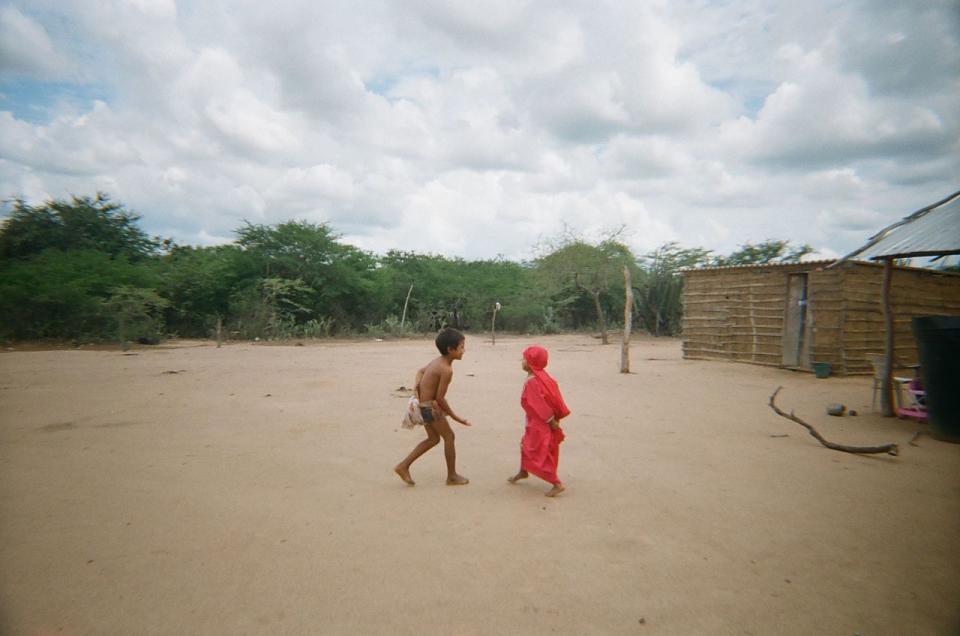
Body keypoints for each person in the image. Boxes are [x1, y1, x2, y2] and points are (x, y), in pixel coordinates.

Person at [394, 328, 472, 486]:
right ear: (450, 349)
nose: (464, 350)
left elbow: (420, 371)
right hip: (429, 408)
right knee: (449, 436)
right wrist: (457, 418)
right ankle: (452, 476)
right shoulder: (446, 370)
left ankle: (403, 466)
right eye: (462, 347)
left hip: (424, 406)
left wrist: (417, 385)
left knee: (433, 439)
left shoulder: (437, 361)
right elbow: (440, 398)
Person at [508, 345, 570, 497]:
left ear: (530, 363)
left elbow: (539, 404)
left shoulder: (532, 382)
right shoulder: (542, 376)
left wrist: (550, 420)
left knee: (538, 450)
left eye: (524, 359)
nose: (521, 361)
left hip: (540, 423)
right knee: (525, 445)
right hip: (536, 421)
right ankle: (523, 471)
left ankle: (556, 483)